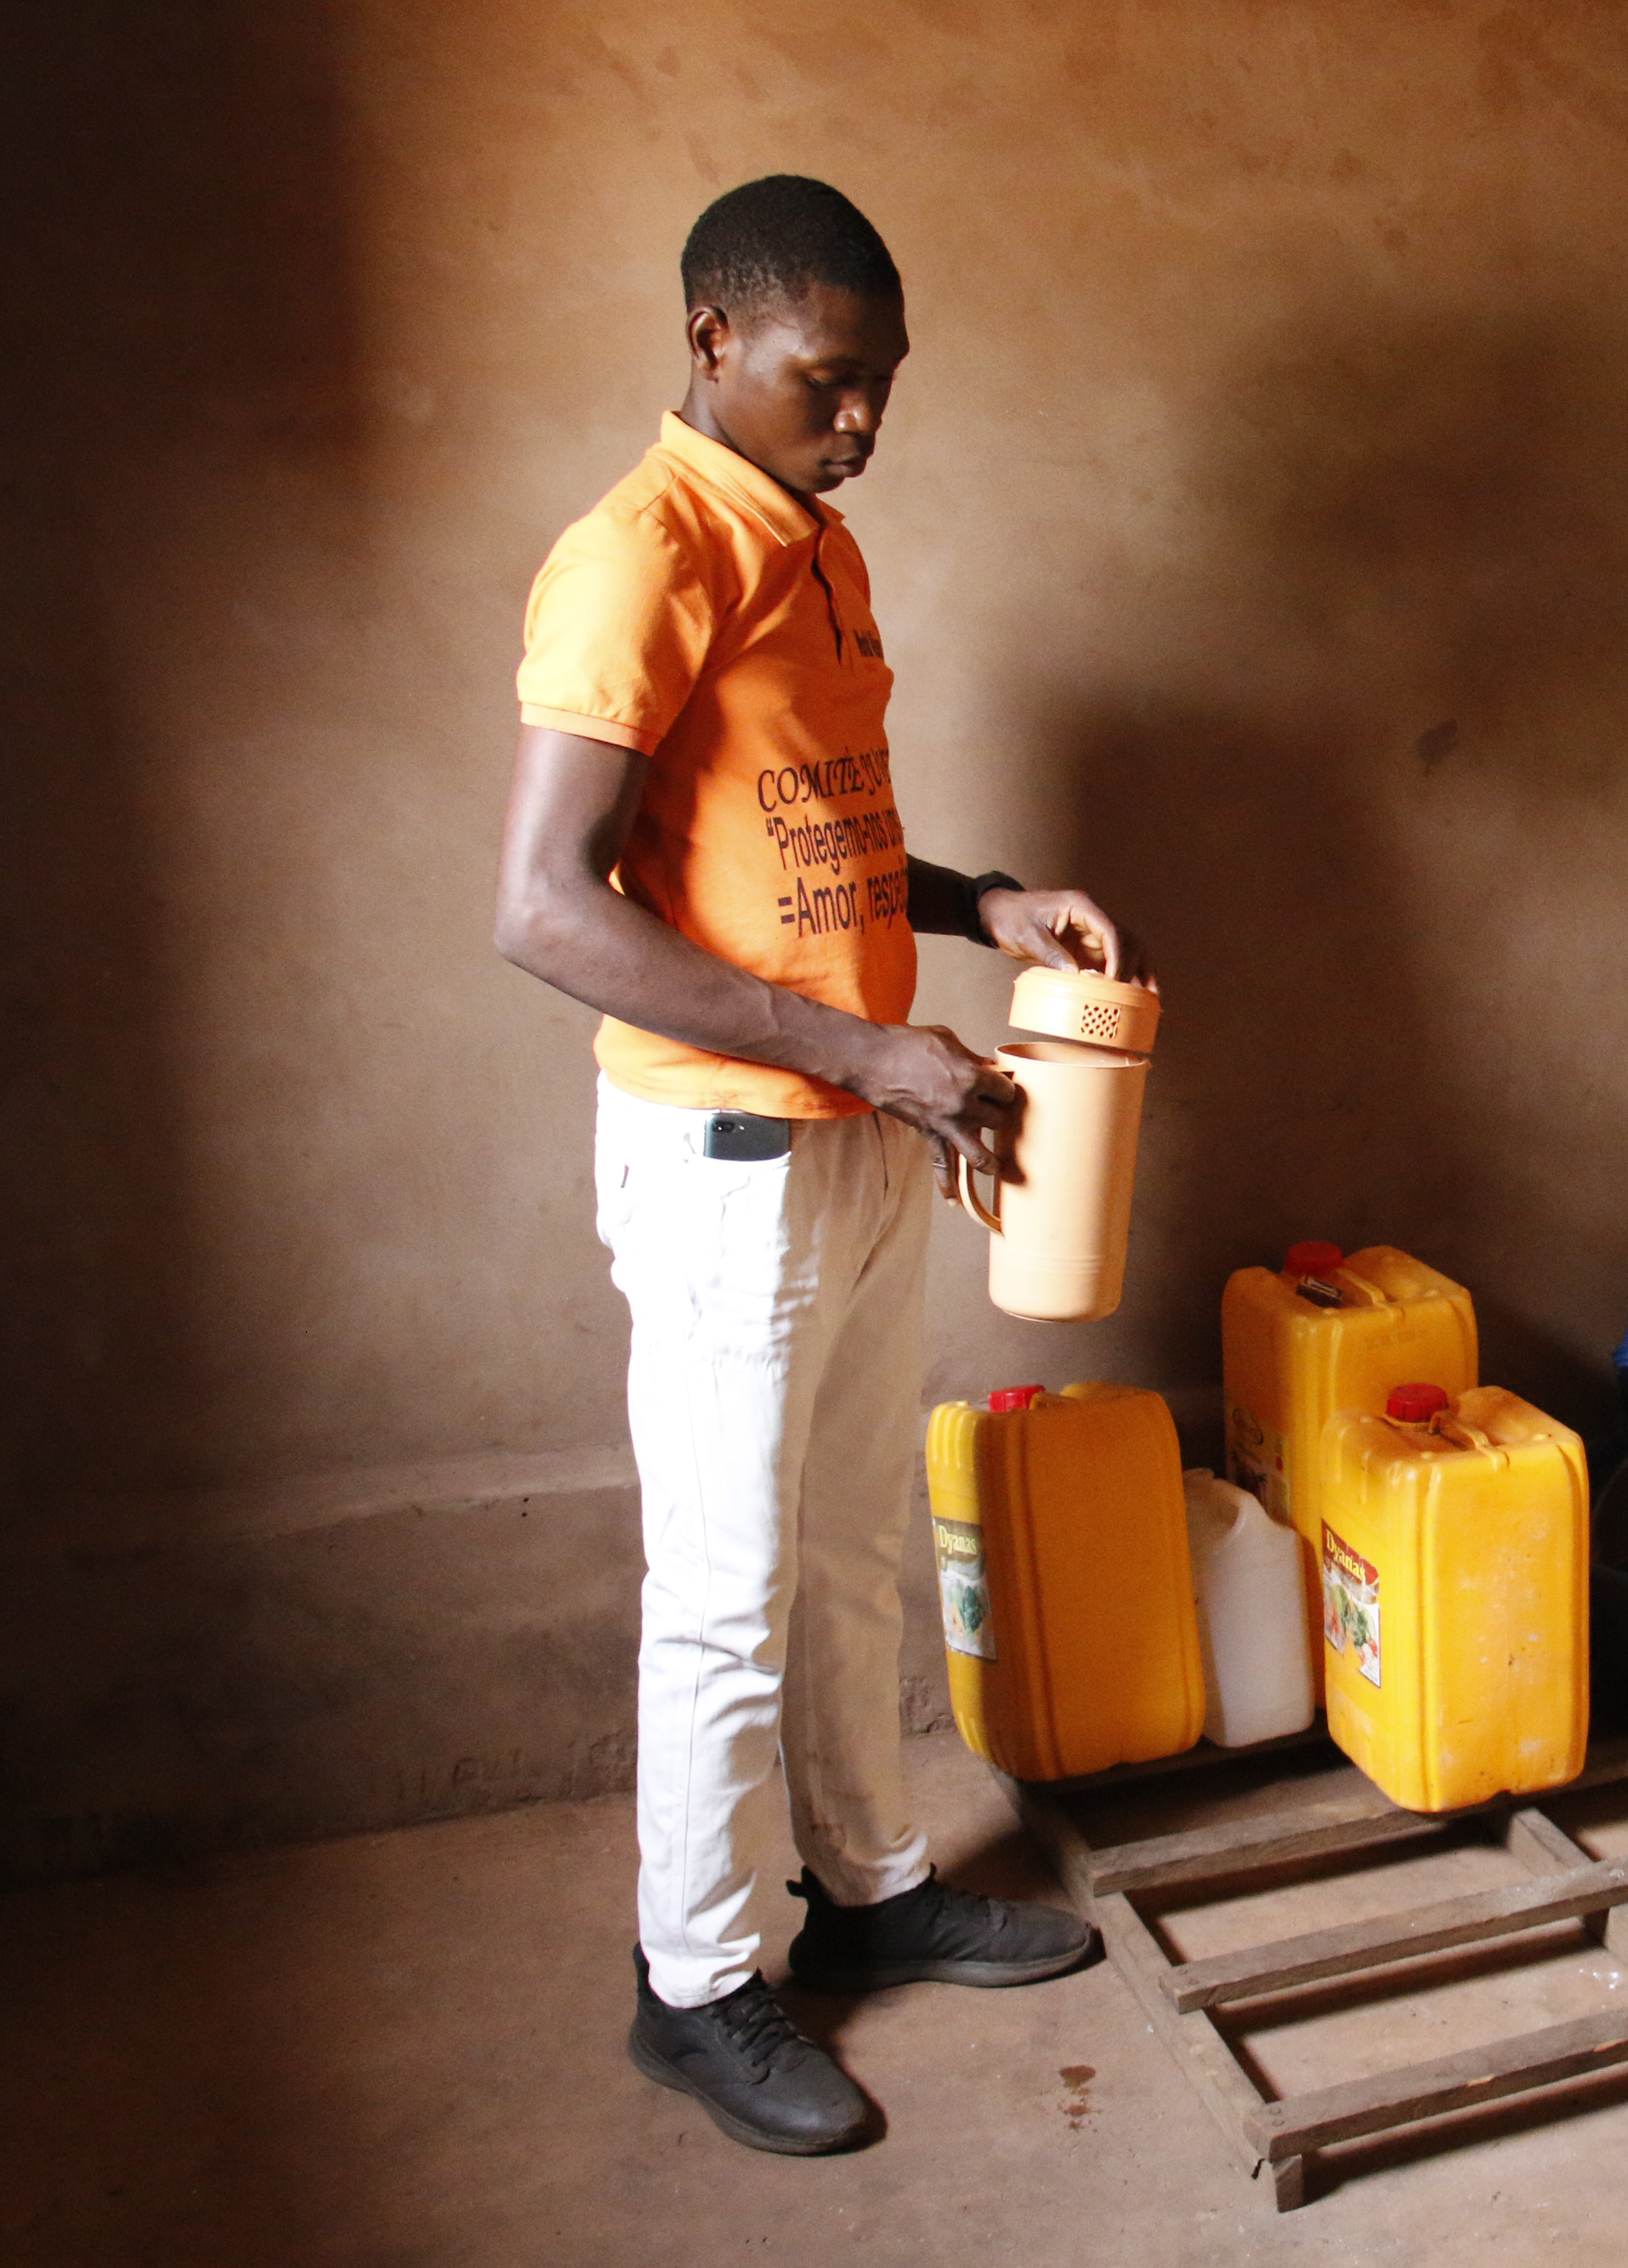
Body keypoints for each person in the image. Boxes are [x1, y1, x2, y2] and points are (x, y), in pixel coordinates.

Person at [493, 175, 1138, 2157]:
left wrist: (986, 902)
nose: (862, 420)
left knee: (856, 1540)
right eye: (828, 381)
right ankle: (692, 1985)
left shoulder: (814, 546)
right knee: (725, 1588)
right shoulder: (639, 555)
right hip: (731, 1155)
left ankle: (869, 1886)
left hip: (867, 1124)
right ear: (717, 345)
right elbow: (541, 905)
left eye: (884, 388)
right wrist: (870, 1049)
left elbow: (812, 841)